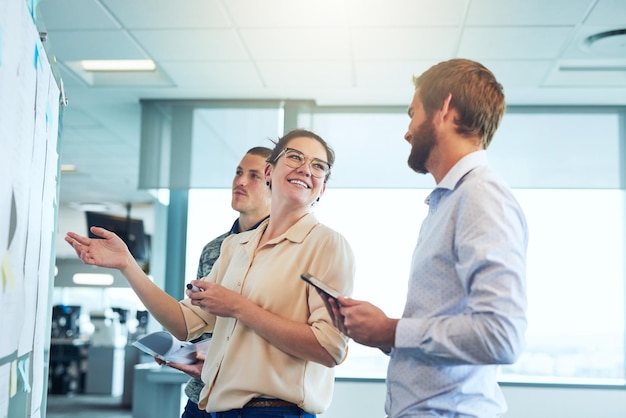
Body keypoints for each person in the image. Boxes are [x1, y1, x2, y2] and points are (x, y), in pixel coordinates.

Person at [65, 129, 355, 418]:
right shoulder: (234, 246)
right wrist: (128, 265)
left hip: (276, 412)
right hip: (217, 408)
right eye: (295, 157)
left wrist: (239, 307)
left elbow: (329, 349)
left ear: (323, 187)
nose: (306, 169)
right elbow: (184, 322)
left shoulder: (327, 244)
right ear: (270, 171)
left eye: (318, 166)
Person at [323, 58, 528, 418]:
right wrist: (385, 334)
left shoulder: (481, 197)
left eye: (412, 113)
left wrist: (392, 330)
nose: (407, 131)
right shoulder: (449, 201)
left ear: (444, 109)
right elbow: (447, 327)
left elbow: (501, 336)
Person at [159, 146, 271, 418]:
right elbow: (204, 325)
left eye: (254, 176)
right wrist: (186, 352)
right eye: (238, 172)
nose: (240, 181)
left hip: (250, 401)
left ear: (274, 186)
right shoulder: (215, 249)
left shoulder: (282, 250)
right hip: (201, 396)